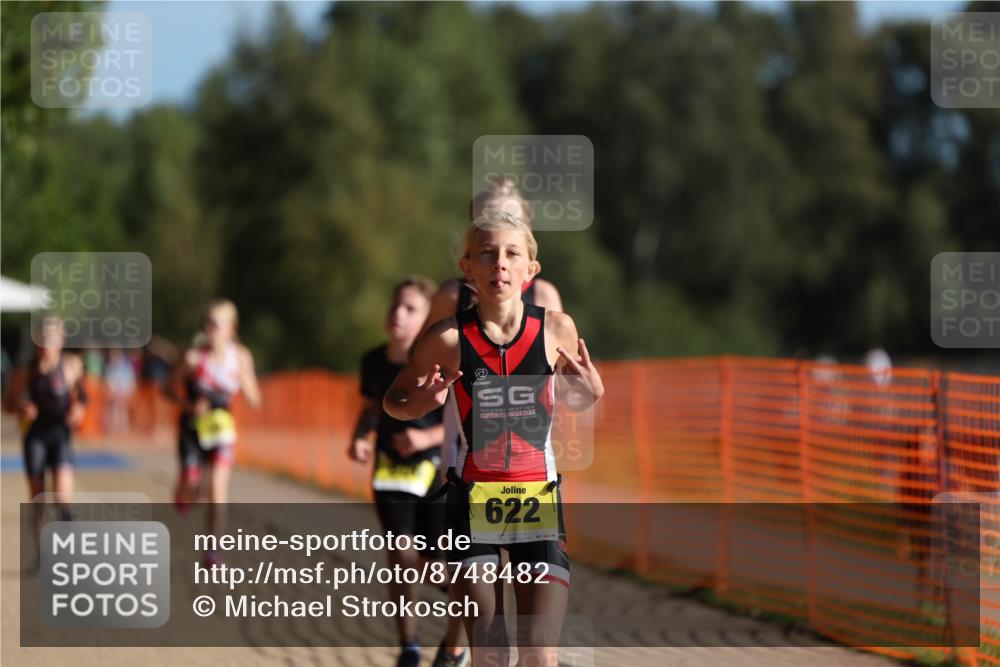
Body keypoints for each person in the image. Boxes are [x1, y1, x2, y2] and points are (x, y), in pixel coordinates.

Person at [385, 209, 604, 667]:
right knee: (490, 653)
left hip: (537, 499)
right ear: (468, 268)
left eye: (511, 254)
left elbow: (579, 400)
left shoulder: (556, 329)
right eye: (486, 253)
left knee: (540, 656)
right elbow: (394, 401)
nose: (499, 264)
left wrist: (592, 391)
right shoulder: (446, 337)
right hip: (471, 502)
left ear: (530, 269)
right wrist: (423, 404)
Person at [349, 276, 468, 667]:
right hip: (390, 470)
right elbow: (370, 409)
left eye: (411, 309)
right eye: (395, 306)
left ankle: (466, 608)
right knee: (400, 554)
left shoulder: (440, 358)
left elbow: (456, 420)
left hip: (434, 471)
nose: (399, 315)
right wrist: (362, 437)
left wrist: (424, 440)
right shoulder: (372, 361)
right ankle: (409, 645)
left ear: (428, 319)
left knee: (437, 563)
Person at [167, 299, 261, 564]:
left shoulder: (241, 357)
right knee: (193, 486)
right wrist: (188, 405)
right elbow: (167, 390)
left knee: (218, 487)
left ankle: (212, 549)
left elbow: (255, 400)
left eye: (215, 324)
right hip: (192, 431)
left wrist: (244, 380)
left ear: (231, 328)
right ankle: (183, 492)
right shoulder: (193, 358)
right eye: (206, 323)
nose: (209, 329)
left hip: (221, 431)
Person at [16, 316, 87, 569]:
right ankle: (41, 555)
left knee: (63, 498)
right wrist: (22, 408)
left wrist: (78, 410)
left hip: (60, 436)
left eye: (52, 337)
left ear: (61, 340)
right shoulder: (28, 370)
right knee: (38, 499)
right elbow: (9, 402)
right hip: (35, 437)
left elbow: (83, 398)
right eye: (42, 337)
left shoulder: (71, 366)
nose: (46, 342)